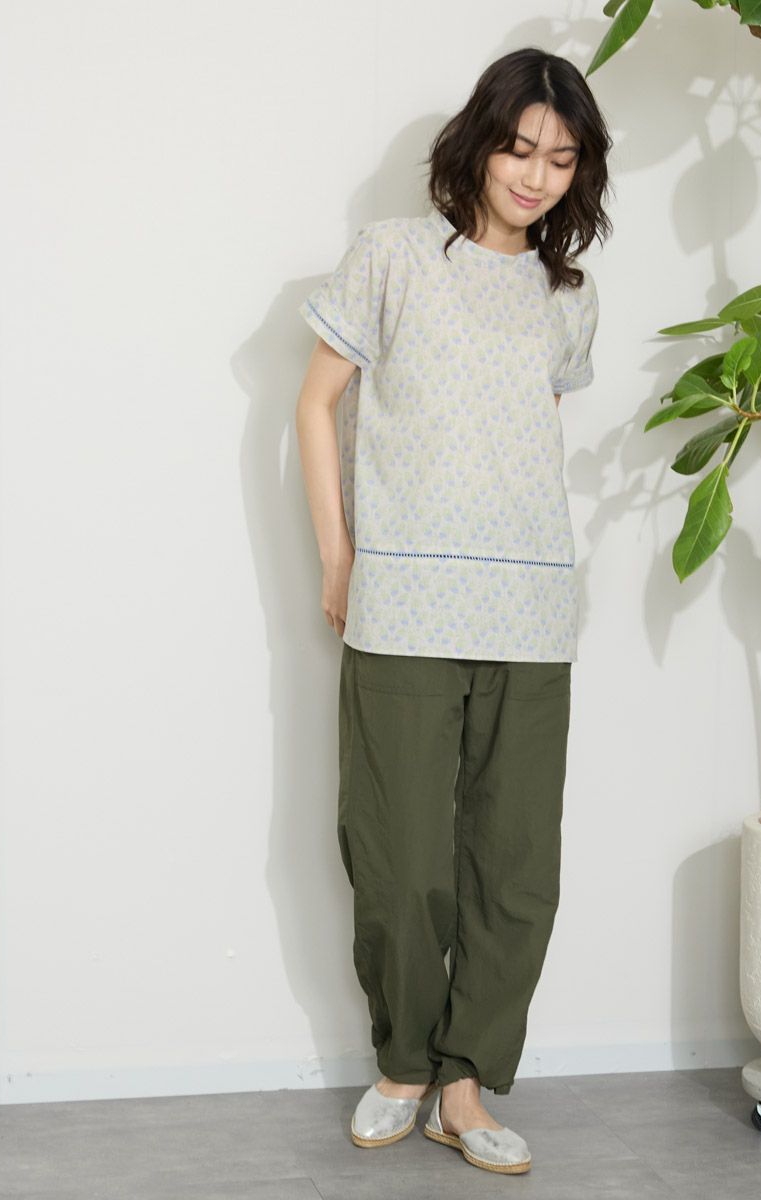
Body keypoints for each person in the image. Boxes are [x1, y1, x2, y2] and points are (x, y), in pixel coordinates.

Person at [295, 46, 611, 1175]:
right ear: (479, 143)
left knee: (516, 864)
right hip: (405, 601)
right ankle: (403, 1064)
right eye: (520, 149)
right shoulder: (390, 257)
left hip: (530, 608)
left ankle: (464, 1086)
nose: (535, 176)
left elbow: (532, 444)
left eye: (561, 160)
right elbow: (316, 405)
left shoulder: (566, 296)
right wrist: (338, 556)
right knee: (399, 856)